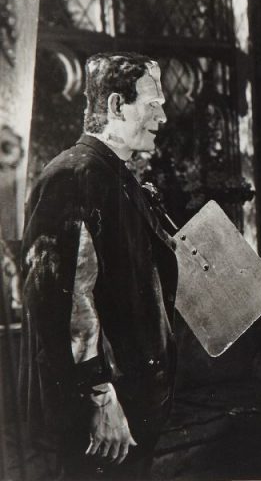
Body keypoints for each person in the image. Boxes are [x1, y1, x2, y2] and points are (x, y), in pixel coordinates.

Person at [20, 52, 177, 480]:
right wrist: (100, 397)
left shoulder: (113, 175)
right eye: (153, 104)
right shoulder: (75, 177)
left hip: (131, 402)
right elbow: (68, 301)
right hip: (105, 412)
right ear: (115, 105)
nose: (162, 117)